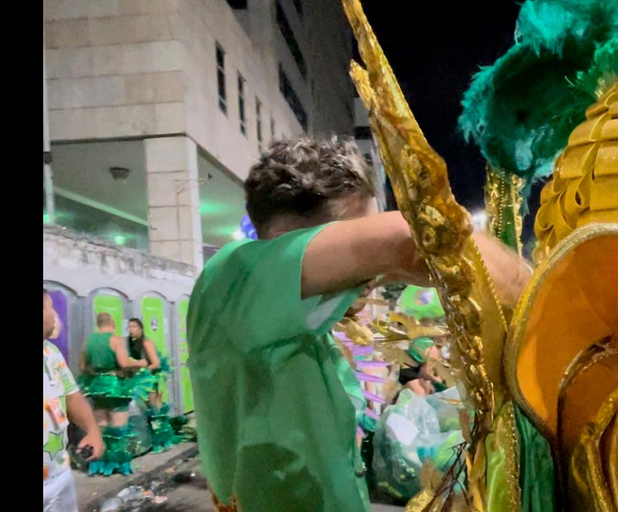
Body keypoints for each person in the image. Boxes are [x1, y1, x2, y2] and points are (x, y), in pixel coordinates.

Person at [188, 137, 531, 512]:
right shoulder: (232, 276)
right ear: (298, 243)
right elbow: (411, 236)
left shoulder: (297, 325)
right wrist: (536, 293)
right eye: (355, 235)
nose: (371, 278)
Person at [44, 289, 105, 511]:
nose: (54, 315)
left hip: (58, 475)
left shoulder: (51, 353)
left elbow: (72, 396)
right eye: (49, 307)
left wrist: (92, 430)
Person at [80, 313, 146, 475]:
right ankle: (118, 464)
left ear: (98, 324)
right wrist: (140, 362)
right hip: (116, 388)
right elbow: (124, 363)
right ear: (113, 323)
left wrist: (98, 373)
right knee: (118, 427)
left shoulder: (88, 341)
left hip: (96, 388)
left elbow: (83, 367)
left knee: (101, 425)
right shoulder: (116, 340)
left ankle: (98, 463)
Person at [127, 318, 179, 453]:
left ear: (141, 328)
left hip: (149, 381)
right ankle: (147, 440)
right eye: (129, 327)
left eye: (134, 327)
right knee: (143, 411)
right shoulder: (128, 344)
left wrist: (143, 370)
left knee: (155, 411)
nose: (131, 329)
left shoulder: (146, 342)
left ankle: (162, 441)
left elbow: (155, 363)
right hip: (136, 380)